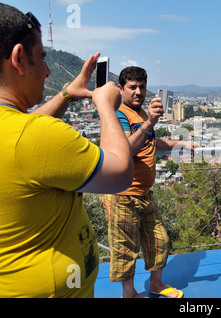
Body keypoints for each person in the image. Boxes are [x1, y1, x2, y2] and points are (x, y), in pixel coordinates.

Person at [0, 4, 133, 298]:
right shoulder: (37, 137)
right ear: (19, 58)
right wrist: (106, 106)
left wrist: (66, 96)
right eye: (42, 58)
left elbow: (24, 135)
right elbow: (121, 171)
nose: (48, 71)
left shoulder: (22, 134)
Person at [100, 66, 194, 298]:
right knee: (125, 249)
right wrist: (150, 122)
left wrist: (177, 145)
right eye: (132, 87)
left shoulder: (140, 113)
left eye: (142, 86)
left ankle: (156, 284)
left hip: (144, 192)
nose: (138, 92)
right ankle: (129, 293)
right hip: (122, 194)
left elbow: (149, 142)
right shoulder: (117, 114)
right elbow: (125, 149)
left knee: (159, 239)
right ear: (121, 88)